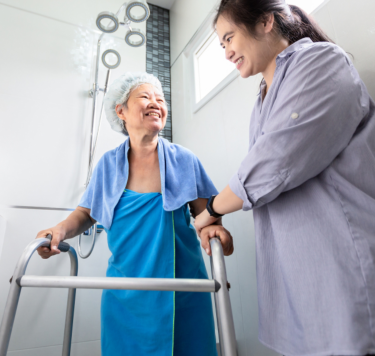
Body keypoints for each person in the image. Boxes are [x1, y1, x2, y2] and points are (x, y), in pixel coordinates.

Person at [195, 0, 375, 356]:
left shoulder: (321, 61)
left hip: (353, 264)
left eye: (228, 38)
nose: (225, 51)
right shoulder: (262, 99)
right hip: (308, 278)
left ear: (265, 22)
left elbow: (277, 159)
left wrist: (210, 210)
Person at [36, 72, 233, 356]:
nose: (156, 103)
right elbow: (85, 214)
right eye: (145, 96)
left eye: (160, 99)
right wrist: (59, 230)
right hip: (126, 293)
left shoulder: (184, 160)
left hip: (184, 292)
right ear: (121, 111)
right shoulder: (108, 164)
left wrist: (216, 233)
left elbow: (208, 219)